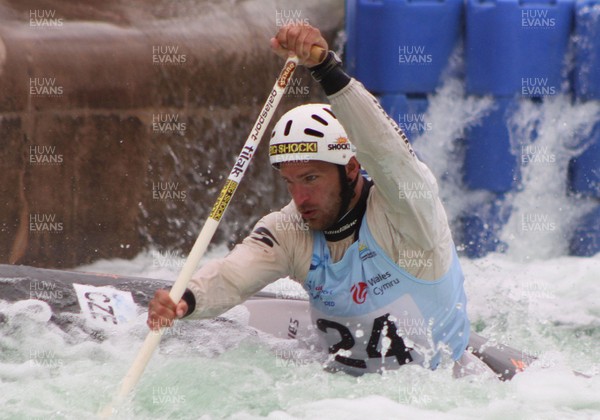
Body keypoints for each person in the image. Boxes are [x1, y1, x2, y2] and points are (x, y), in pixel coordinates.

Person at [148, 24, 484, 376]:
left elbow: (386, 151)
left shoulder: (407, 214)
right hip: (335, 396)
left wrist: (326, 69)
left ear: (351, 169)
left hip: (441, 387)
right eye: (290, 182)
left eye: (311, 179)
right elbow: (232, 278)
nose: (300, 197)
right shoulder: (290, 229)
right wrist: (184, 301)